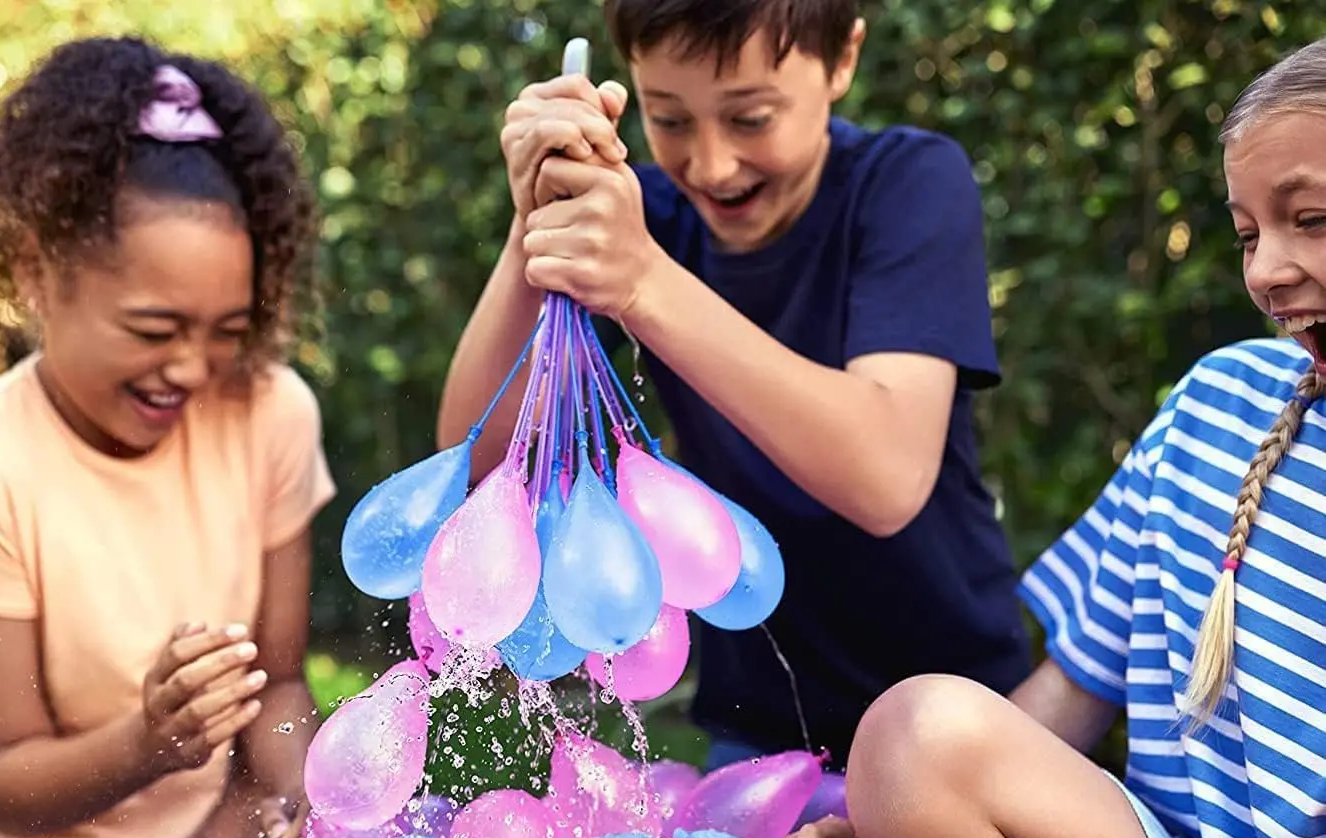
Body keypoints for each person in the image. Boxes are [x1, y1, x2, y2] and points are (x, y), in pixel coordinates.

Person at [783, 38, 1326, 838]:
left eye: (1311, 220)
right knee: (913, 740)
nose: (1268, 271)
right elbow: (1076, 687)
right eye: (1246, 234)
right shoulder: (1216, 403)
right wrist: (891, 826)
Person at [435, 0, 1029, 796]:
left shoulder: (908, 185)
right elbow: (477, 465)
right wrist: (532, 227)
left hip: (961, 729)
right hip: (754, 743)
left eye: (750, 117)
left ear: (842, 59)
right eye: (669, 118)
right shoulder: (646, 221)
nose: (712, 165)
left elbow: (886, 477)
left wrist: (645, 283)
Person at [0, 35, 335, 838]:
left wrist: (303, 797)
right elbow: (5, 778)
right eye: (154, 329)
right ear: (33, 275)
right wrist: (150, 742)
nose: (192, 368)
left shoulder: (269, 412)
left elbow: (282, 691)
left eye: (227, 329)